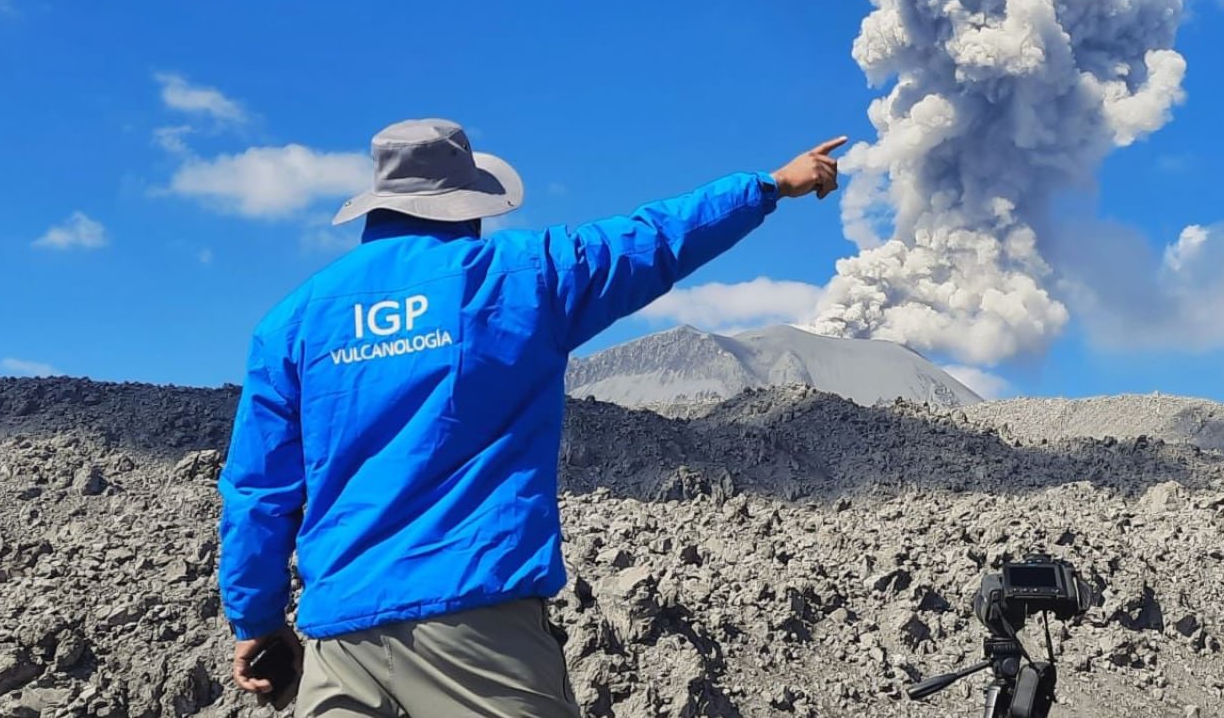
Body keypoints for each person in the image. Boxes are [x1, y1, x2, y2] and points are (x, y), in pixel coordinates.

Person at [220, 118, 845, 717]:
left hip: (340, 641)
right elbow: (652, 238)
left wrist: (256, 622)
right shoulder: (526, 275)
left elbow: (257, 493)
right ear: (468, 201)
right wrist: (770, 184)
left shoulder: (293, 324)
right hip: (479, 626)